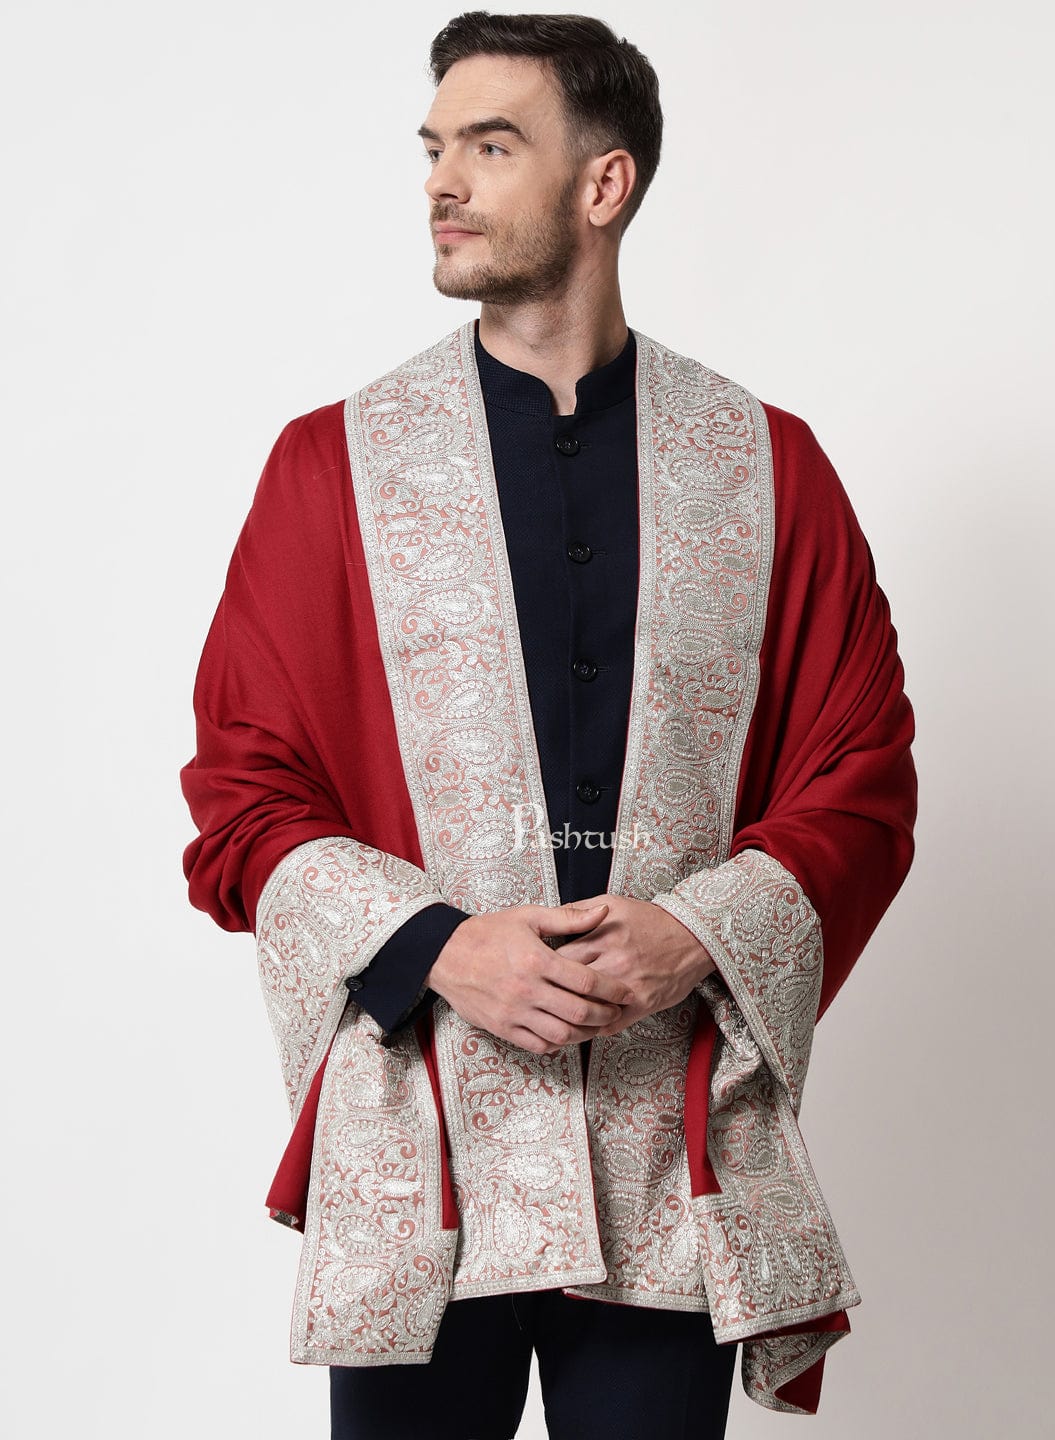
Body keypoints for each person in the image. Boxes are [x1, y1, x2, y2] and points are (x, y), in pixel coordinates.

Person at [180, 12, 916, 1439]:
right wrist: (441, 947)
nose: (442, 183)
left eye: (491, 145)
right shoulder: (334, 467)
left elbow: (862, 775)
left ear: (603, 183)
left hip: (663, 1160)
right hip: (423, 1145)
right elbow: (242, 794)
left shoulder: (765, 467)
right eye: (434, 148)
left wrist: (693, 931)